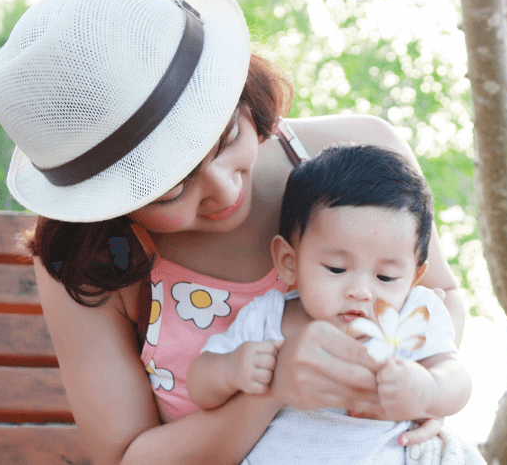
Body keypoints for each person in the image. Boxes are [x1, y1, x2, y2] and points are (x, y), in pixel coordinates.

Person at [0, 0, 465, 465]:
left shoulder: (357, 152)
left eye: (228, 138)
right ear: (107, 206)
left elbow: (441, 297)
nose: (225, 189)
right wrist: (273, 388)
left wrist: (424, 388)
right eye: (171, 188)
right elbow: (127, 457)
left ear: (236, 92)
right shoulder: (92, 265)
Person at [187, 144, 472, 464]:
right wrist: (231, 368)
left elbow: (456, 377)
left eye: (387, 276)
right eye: (337, 269)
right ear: (288, 261)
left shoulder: (412, 313)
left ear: (415, 276)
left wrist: (428, 390)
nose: (362, 291)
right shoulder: (267, 318)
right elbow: (199, 385)